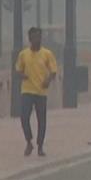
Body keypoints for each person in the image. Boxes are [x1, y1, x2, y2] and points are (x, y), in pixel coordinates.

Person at [15, 27, 57, 157]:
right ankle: (29, 141)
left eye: (39, 37)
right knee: (24, 117)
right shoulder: (24, 54)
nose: (37, 40)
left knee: (41, 120)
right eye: (34, 37)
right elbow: (18, 69)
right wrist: (22, 75)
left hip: (41, 91)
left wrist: (48, 80)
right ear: (29, 39)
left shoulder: (47, 54)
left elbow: (53, 71)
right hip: (27, 90)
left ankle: (40, 146)